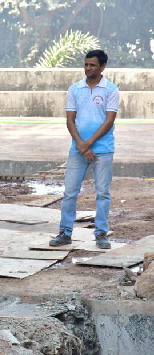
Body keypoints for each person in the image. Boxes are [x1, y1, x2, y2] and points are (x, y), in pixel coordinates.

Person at [50, 49, 119, 249]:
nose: (88, 68)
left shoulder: (111, 90)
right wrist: (81, 144)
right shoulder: (75, 89)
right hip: (77, 149)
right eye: (86, 64)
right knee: (70, 192)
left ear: (103, 67)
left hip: (103, 149)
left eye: (93, 65)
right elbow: (70, 119)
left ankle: (101, 234)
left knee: (103, 193)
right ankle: (65, 233)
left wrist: (88, 143)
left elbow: (109, 120)